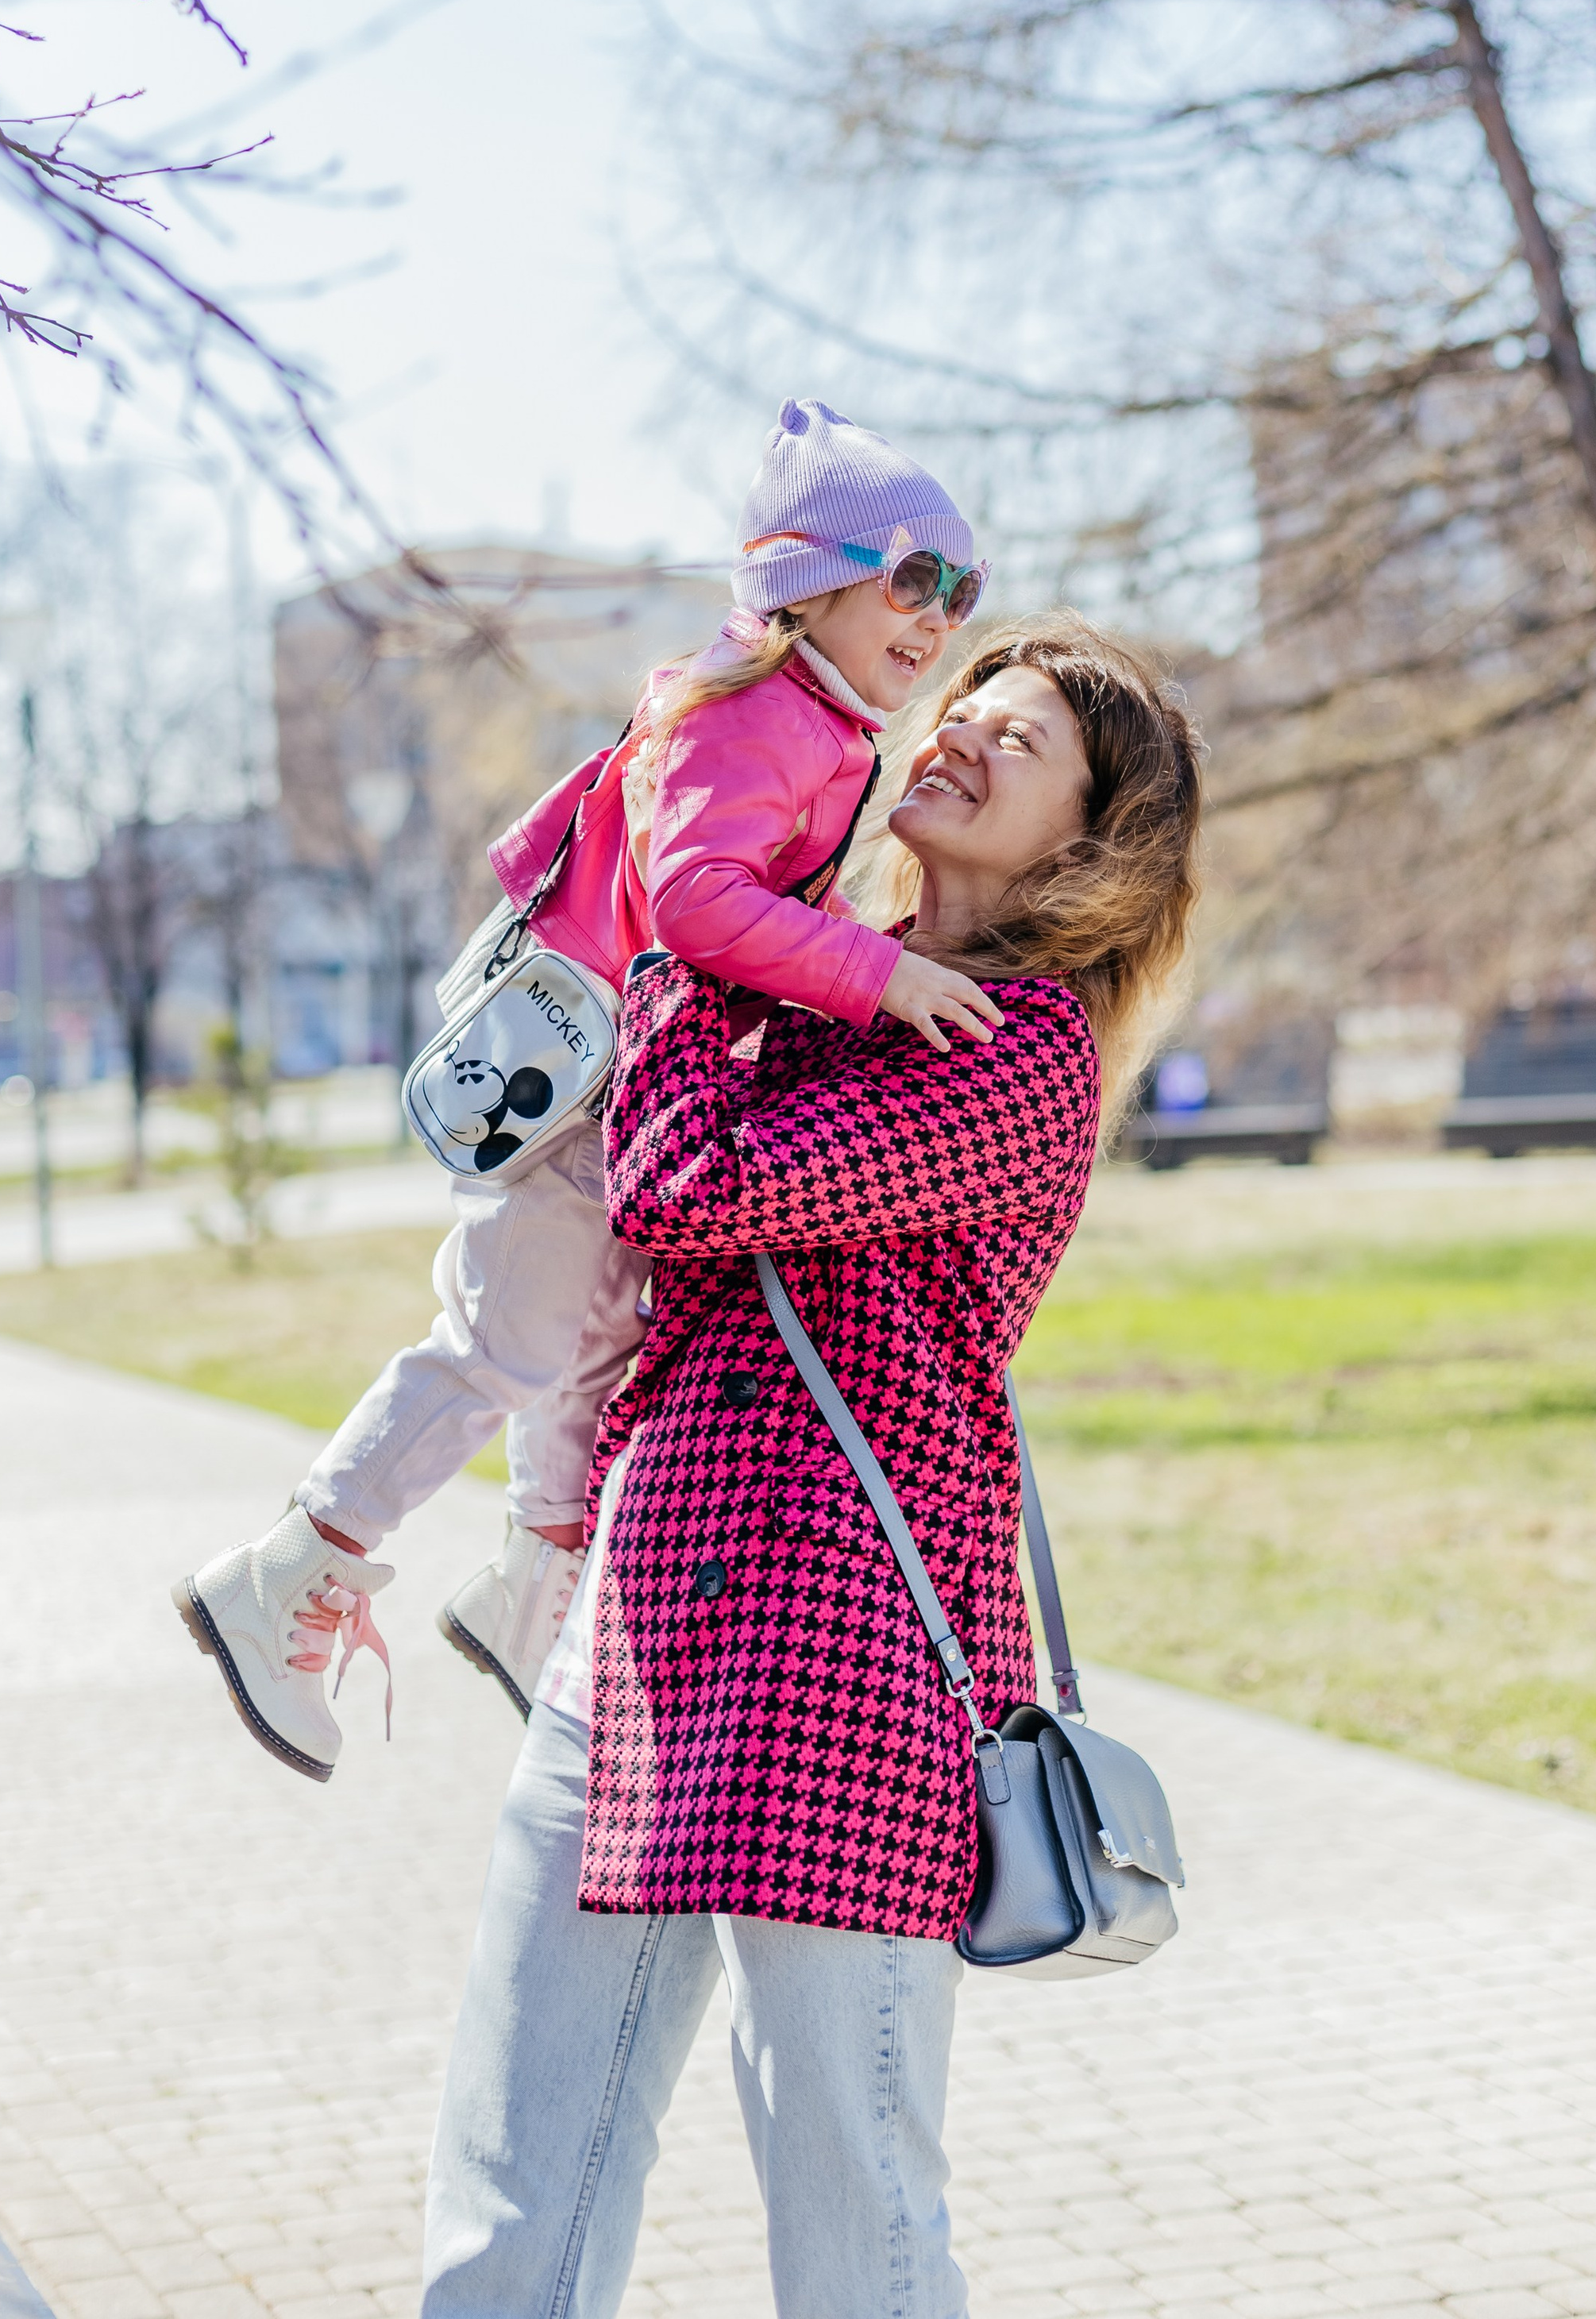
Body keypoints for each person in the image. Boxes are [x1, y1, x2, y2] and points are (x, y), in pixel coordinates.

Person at [422, 617, 1202, 2319]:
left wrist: (678, 907)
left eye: (1022, 737)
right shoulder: (810, 975)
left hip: (846, 1665)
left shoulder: (1018, 1049)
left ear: (1088, 838)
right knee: (510, 2173)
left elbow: (687, 1185)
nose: (963, 735)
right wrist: (720, 919)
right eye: (962, 705)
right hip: (635, 1643)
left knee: (853, 2216)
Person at [174, 399, 1002, 1781]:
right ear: (814, 578)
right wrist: (873, 972)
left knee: (592, 1348)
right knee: (498, 1345)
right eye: (916, 579)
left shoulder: (812, 720)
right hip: (580, 1085)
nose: (939, 616)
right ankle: (292, 1569)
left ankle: (528, 1589)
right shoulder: (756, 713)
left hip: (616, 1093)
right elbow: (694, 898)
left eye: (962, 592)